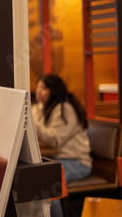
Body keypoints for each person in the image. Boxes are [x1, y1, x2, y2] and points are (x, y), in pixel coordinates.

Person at [32, 74, 92, 217]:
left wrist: (31, 120)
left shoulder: (65, 108)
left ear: (55, 90)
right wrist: (35, 111)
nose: (38, 91)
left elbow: (54, 140)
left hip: (77, 162)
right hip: (60, 160)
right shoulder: (47, 108)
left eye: (43, 88)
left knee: (48, 183)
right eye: (38, 87)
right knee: (34, 178)